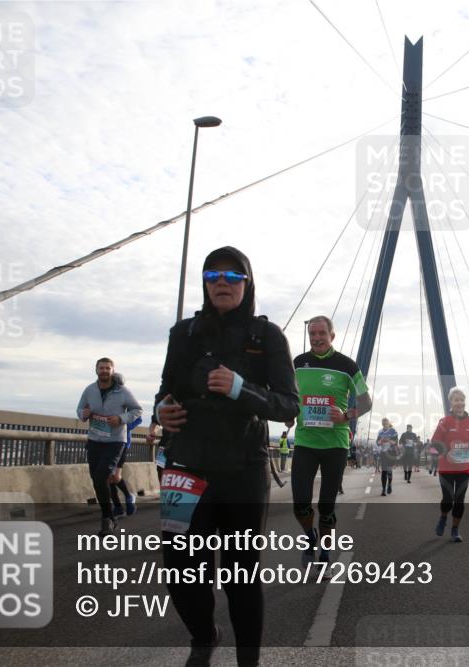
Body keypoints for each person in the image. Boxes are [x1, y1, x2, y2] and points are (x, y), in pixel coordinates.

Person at [154, 246, 299, 667]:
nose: (222, 282)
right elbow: (166, 390)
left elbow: (288, 406)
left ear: (246, 284)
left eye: (233, 277)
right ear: (204, 282)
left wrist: (241, 389)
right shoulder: (183, 334)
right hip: (185, 467)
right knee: (181, 574)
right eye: (213, 275)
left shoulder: (266, 337)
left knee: (242, 577)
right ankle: (205, 635)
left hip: (242, 470)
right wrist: (161, 411)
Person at [288, 315, 372, 564]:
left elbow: (366, 402)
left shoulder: (347, 365)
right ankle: (309, 536)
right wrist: (289, 414)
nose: (316, 338)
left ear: (331, 336)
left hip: (335, 444)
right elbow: (291, 395)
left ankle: (324, 552)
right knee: (300, 505)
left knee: (326, 507)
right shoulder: (299, 363)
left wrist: (346, 415)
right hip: (305, 442)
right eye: (312, 334)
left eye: (321, 334)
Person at [76, 358, 142, 536]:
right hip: (94, 440)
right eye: (101, 368)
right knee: (96, 479)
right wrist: (84, 413)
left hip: (115, 442)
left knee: (101, 476)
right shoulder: (90, 390)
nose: (104, 371)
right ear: (96, 370)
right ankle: (110, 516)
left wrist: (121, 419)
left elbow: (137, 410)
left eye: (107, 368)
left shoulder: (122, 391)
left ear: (112, 371)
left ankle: (107, 519)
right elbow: (80, 409)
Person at [430, 388, 469, 542]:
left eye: (461, 400)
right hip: (446, 468)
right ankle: (443, 517)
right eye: (456, 400)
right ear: (451, 403)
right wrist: (441, 455)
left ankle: (455, 530)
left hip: (464, 467)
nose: (460, 403)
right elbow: (434, 444)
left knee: (459, 499)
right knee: (448, 498)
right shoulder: (445, 422)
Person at [109, 382, 141, 518]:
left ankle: (129, 497)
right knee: (107, 477)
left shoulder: (125, 399)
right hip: (106, 443)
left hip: (122, 443)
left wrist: (124, 426)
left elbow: (139, 418)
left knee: (115, 476)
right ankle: (117, 507)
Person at [377, 418, 399, 495]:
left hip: (391, 453)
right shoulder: (380, 432)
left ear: (388, 424)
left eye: (386, 424)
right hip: (383, 453)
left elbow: (395, 443)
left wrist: (388, 440)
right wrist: (381, 440)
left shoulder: (393, 431)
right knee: (384, 471)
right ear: (382, 424)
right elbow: (378, 443)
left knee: (389, 471)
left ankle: (389, 484)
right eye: (383, 424)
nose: (384, 425)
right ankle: (383, 489)